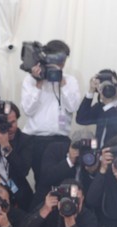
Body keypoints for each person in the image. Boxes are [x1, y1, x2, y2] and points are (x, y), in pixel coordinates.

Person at [20, 39, 81, 187]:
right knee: (42, 183)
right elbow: (28, 110)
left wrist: (62, 84)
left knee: (63, 182)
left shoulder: (70, 81)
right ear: (46, 58)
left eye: (63, 60)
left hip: (61, 140)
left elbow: (72, 107)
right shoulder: (30, 80)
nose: (61, 64)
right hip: (36, 140)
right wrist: (39, 83)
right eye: (58, 60)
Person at [17, 179, 98, 227]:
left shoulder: (89, 217)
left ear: (82, 198)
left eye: (76, 199)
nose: (71, 203)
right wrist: (45, 209)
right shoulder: (50, 207)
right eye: (68, 198)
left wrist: (70, 221)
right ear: (59, 197)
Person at [75, 69, 117, 147]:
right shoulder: (100, 107)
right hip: (100, 156)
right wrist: (91, 91)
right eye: (104, 85)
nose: (107, 88)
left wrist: (108, 104)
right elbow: (81, 119)